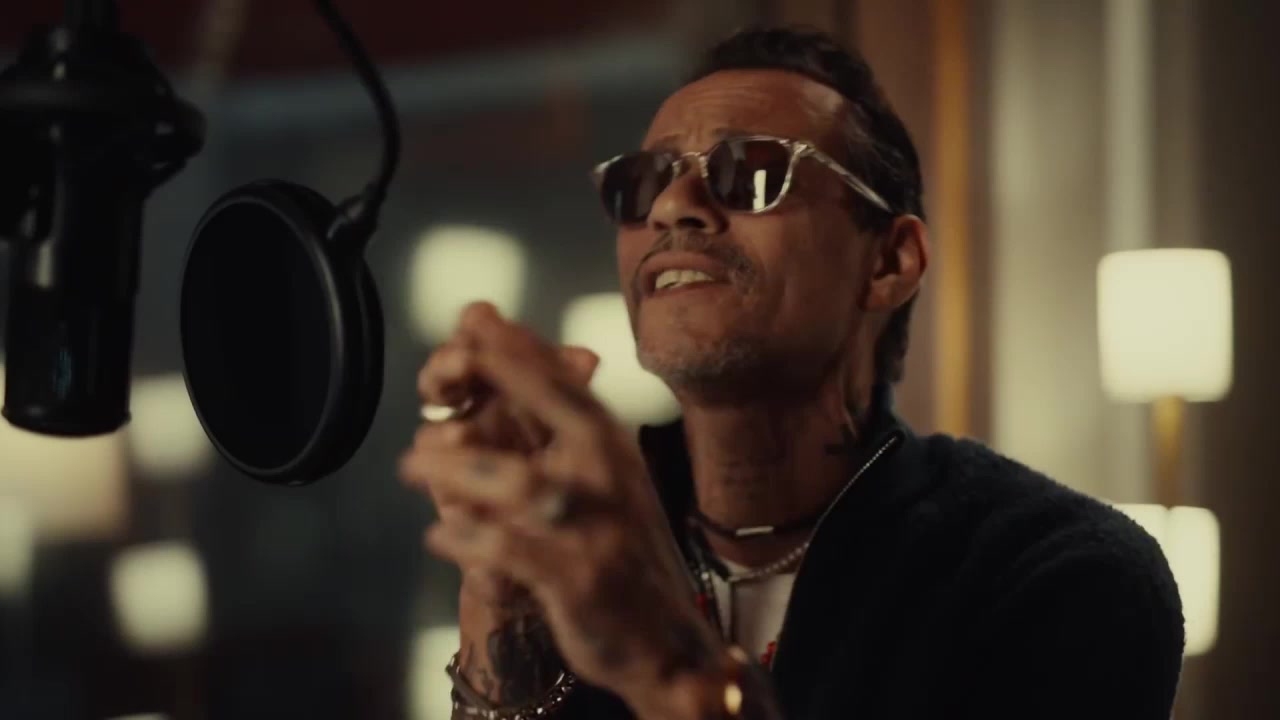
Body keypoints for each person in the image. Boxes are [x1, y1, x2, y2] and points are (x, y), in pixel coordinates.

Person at [398, 27, 1184, 720]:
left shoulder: (1058, 575)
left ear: (890, 261)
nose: (672, 206)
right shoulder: (585, 534)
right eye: (644, 181)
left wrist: (669, 667)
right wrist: (500, 601)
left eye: (749, 170)